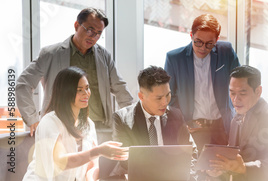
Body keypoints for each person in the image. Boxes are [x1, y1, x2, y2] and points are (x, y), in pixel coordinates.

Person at [16, 7, 133, 138]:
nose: (93, 37)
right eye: (90, 30)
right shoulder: (50, 54)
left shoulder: (104, 56)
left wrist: (132, 120)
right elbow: (23, 84)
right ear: (77, 25)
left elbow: (120, 88)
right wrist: (32, 119)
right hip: (61, 127)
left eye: (99, 33)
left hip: (100, 128)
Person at [23, 67, 128, 181]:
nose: (86, 93)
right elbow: (59, 162)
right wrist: (99, 151)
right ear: (65, 92)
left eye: (87, 88)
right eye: (79, 90)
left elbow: (92, 166)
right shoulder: (50, 122)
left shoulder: (89, 124)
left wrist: (90, 179)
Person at [206, 65, 268, 181]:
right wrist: (221, 169)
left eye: (242, 94)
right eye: (232, 93)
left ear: (258, 91)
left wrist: (244, 168)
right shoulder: (235, 120)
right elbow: (237, 162)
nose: (235, 100)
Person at [165, 14, 240, 150]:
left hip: (223, 125)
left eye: (209, 44)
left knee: (223, 168)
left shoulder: (226, 51)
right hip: (194, 127)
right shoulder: (174, 58)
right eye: (198, 42)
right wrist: (183, 122)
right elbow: (169, 95)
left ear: (217, 40)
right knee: (198, 168)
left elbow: (240, 81)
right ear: (191, 35)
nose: (203, 48)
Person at [111, 66, 192, 175]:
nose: (165, 102)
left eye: (168, 95)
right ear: (141, 96)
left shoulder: (176, 115)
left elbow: (188, 152)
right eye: (158, 98)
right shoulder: (122, 119)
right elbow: (125, 160)